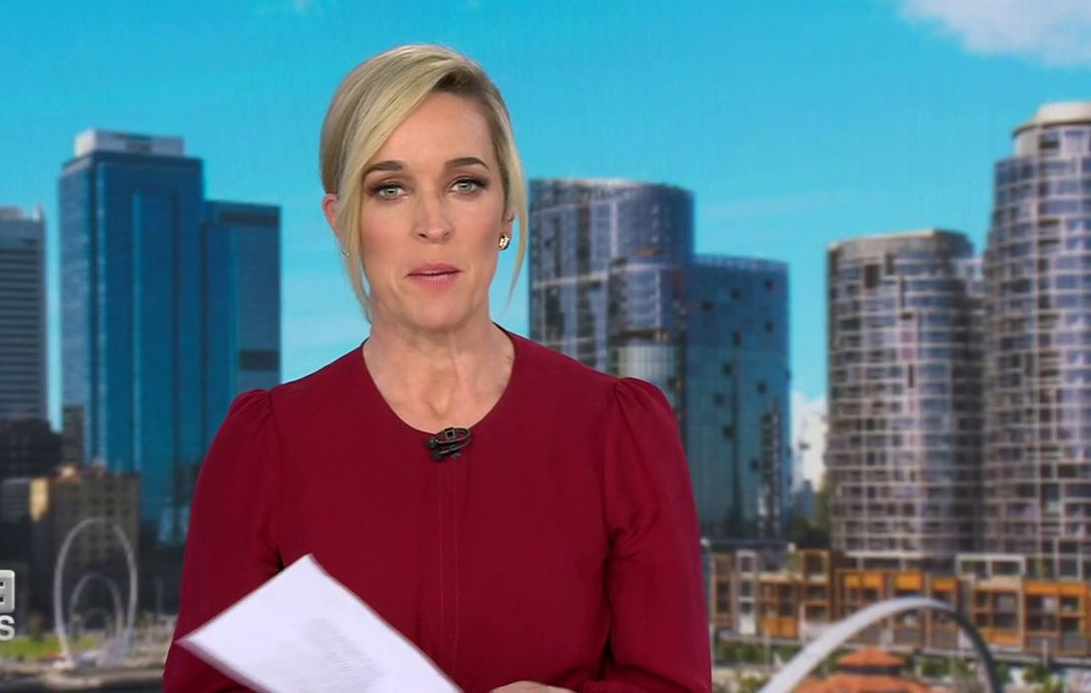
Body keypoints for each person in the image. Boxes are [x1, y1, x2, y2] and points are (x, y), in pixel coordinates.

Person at [163, 43, 711, 693]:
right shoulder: (264, 445)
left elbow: (671, 683)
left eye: (464, 184)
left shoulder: (619, 430)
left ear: (505, 212)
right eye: (390, 189)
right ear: (343, 222)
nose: (433, 224)